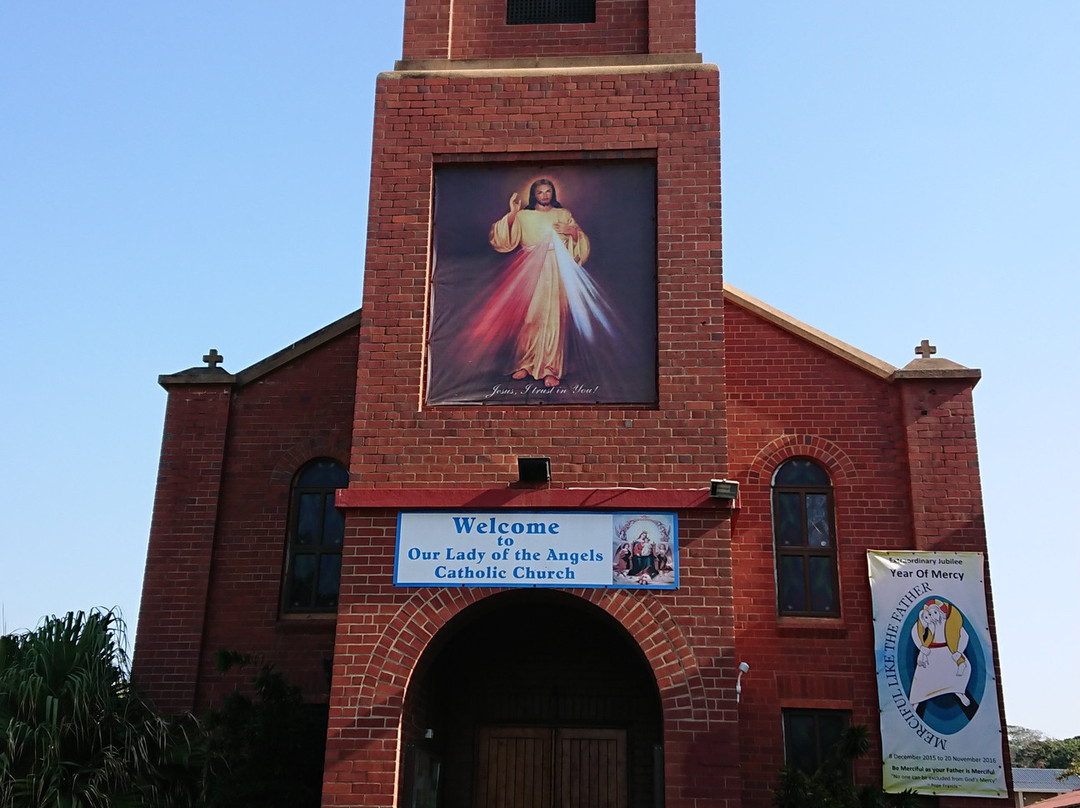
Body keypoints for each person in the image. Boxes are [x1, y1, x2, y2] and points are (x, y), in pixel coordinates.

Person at [484, 178, 591, 388]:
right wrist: (513, 212)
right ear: (534, 195)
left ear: (553, 194)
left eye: (548, 191)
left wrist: (573, 232)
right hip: (530, 270)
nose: (545, 195)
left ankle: (550, 368)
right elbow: (501, 239)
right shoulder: (524, 215)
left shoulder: (563, 214)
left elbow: (581, 243)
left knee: (553, 318)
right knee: (530, 317)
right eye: (540, 192)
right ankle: (526, 363)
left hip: (557, 269)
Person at [908, 598, 972, 710]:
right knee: (921, 678)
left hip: (949, 650)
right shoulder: (929, 624)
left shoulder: (951, 623)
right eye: (931, 613)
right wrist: (921, 648)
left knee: (963, 670)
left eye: (935, 612)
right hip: (931, 652)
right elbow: (915, 631)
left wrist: (958, 651)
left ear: (940, 612)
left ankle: (960, 692)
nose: (933, 616)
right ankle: (915, 701)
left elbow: (964, 636)